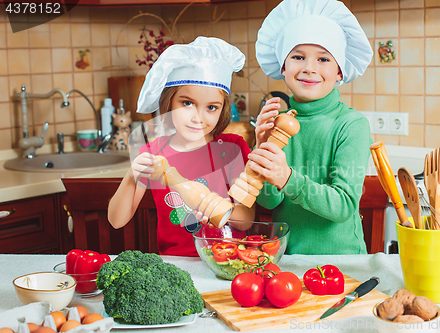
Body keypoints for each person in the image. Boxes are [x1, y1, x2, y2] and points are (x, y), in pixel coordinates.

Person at [108, 37, 254, 256]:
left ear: (223, 109)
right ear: (169, 101)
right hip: (176, 265)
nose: (198, 118)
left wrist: (220, 208)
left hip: (229, 261)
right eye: (187, 103)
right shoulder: (153, 154)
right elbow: (117, 221)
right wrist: (131, 176)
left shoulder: (231, 149)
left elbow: (247, 221)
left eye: (211, 107)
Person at [249, 0, 373, 255]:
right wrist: (261, 147)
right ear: (283, 67)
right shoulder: (277, 122)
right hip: (287, 260)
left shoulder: (351, 125)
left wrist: (287, 178)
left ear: (339, 71)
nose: (309, 68)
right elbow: (268, 201)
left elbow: (343, 206)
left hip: (342, 264)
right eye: (298, 57)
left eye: (324, 59)